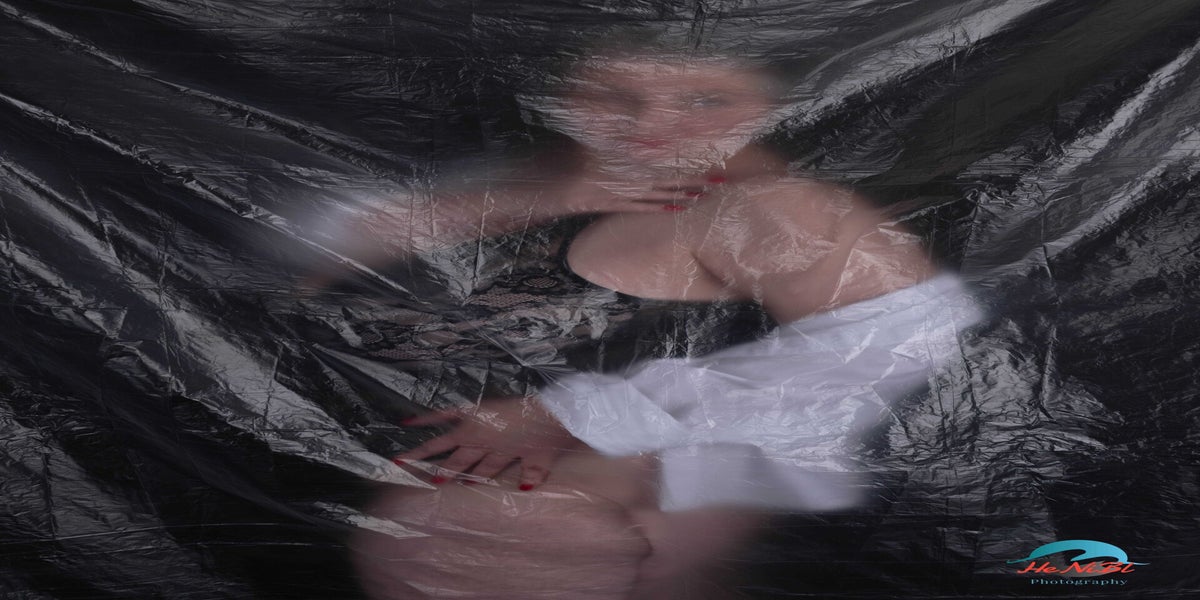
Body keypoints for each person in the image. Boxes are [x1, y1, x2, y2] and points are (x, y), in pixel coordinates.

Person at [325, 39, 981, 600]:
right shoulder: (548, 178)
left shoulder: (773, 210)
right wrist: (551, 196)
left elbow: (908, 341)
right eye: (611, 95)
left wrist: (568, 415)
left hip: (540, 541)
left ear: (779, 104)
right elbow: (308, 245)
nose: (651, 123)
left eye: (707, 100)